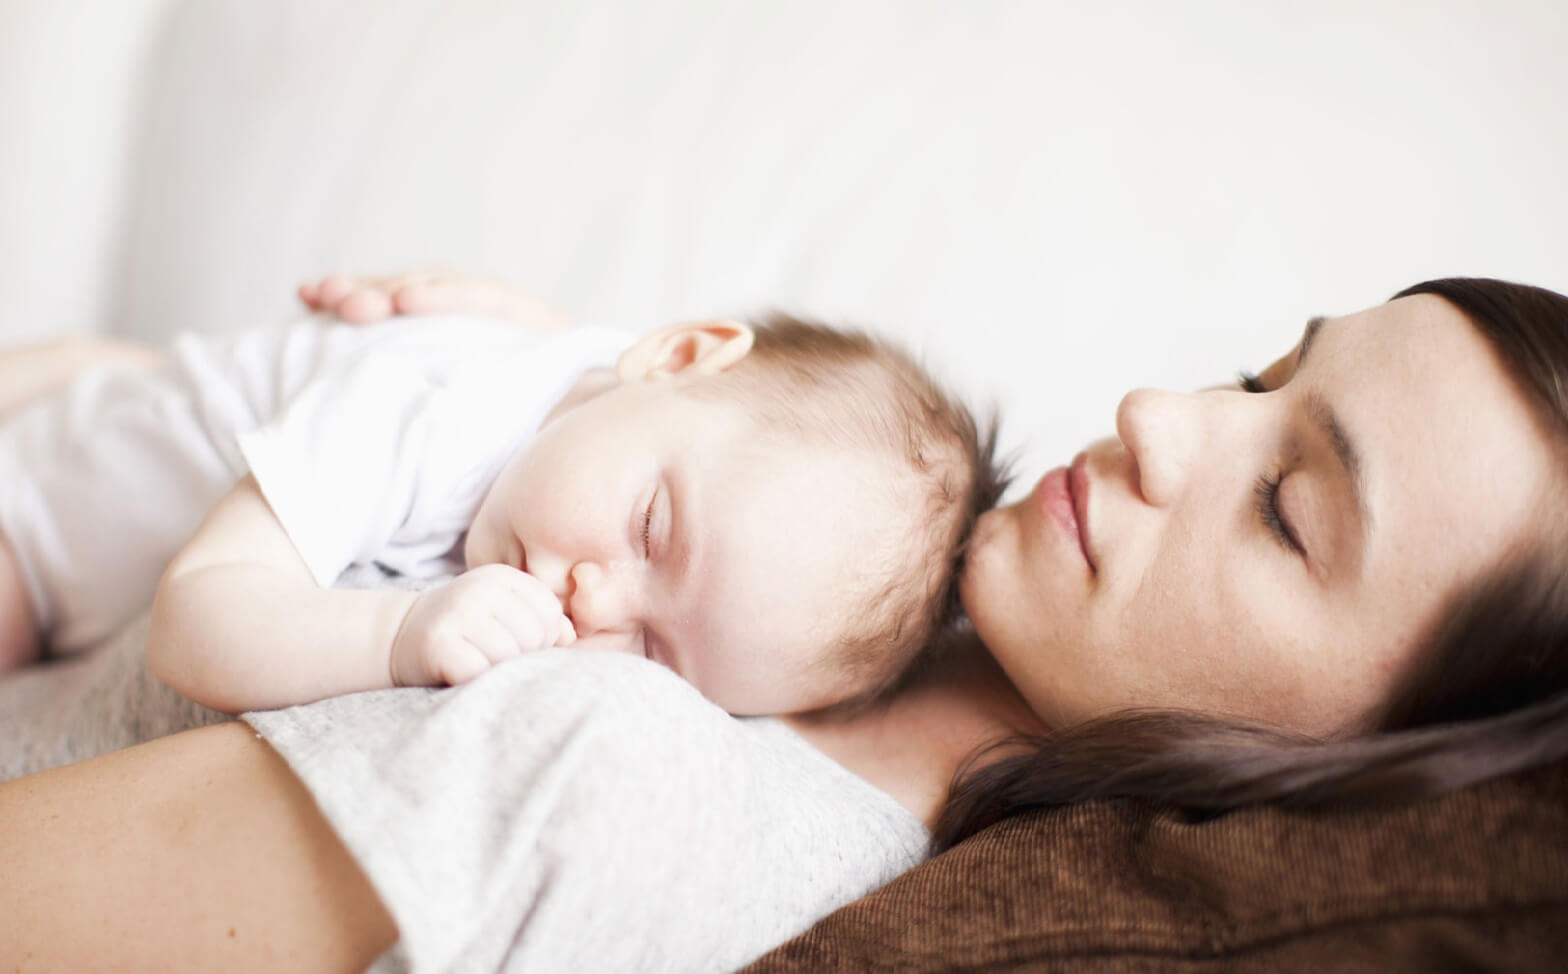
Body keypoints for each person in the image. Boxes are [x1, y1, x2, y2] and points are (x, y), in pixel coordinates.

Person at [4, 274, 1567, 973]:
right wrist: (527, 387)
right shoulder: (797, 540)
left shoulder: (620, 778)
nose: (1162, 414)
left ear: (1363, 765)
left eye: (1287, 509)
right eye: (1256, 377)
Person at [0, 277, 999, 717]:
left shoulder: (638, 414)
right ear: (672, 355)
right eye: (651, 530)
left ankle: (116, 375)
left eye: (658, 653)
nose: (597, 607)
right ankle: (88, 379)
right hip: (41, 522)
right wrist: (397, 634)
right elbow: (193, 620)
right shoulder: (423, 411)